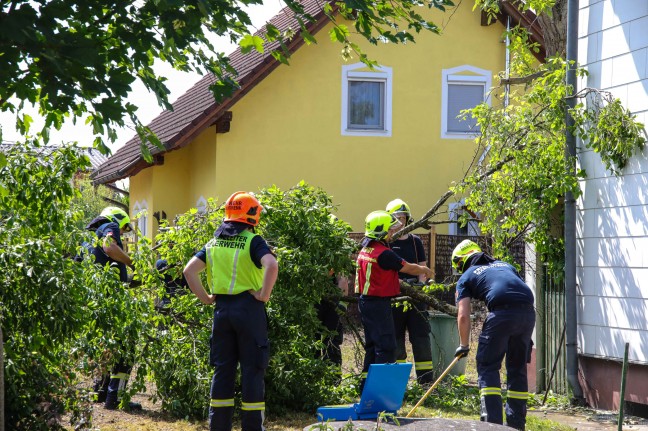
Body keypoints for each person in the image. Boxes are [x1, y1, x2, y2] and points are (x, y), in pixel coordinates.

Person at [183, 191, 278, 431]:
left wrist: (206, 298)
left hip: (222, 311)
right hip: (249, 309)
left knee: (223, 369)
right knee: (252, 369)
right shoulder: (252, 241)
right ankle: (253, 428)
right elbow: (272, 264)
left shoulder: (213, 242)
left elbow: (189, 271)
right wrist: (264, 295)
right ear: (251, 214)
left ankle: (218, 426)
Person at [452, 239, 535, 430]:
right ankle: (516, 425)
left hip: (501, 315)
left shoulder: (467, 276)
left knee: (488, 366)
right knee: (517, 368)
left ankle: (492, 425)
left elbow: (463, 316)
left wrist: (464, 345)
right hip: (528, 314)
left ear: (461, 261)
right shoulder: (506, 265)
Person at [355, 210, 433, 390]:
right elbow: (407, 268)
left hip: (366, 303)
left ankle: (365, 385)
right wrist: (425, 271)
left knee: (372, 346)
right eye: (390, 230)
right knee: (387, 347)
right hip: (378, 304)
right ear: (381, 231)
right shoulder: (384, 253)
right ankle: (382, 389)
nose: (392, 233)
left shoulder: (366, 249)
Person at [85, 206, 141, 411]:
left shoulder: (89, 238)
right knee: (127, 345)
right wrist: (133, 263)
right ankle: (114, 397)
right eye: (124, 229)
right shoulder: (110, 225)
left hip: (98, 303)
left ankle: (99, 391)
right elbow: (110, 247)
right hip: (113, 302)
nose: (123, 234)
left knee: (107, 346)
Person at [386, 198, 434, 385]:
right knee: (396, 338)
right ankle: (400, 382)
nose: (400, 221)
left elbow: (422, 268)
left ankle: (426, 381)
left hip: (415, 296)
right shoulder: (387, 243)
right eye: (396, 217)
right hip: (394, 297)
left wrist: (421, 287)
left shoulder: (415, 242)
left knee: (421, 337)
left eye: (403, 217)